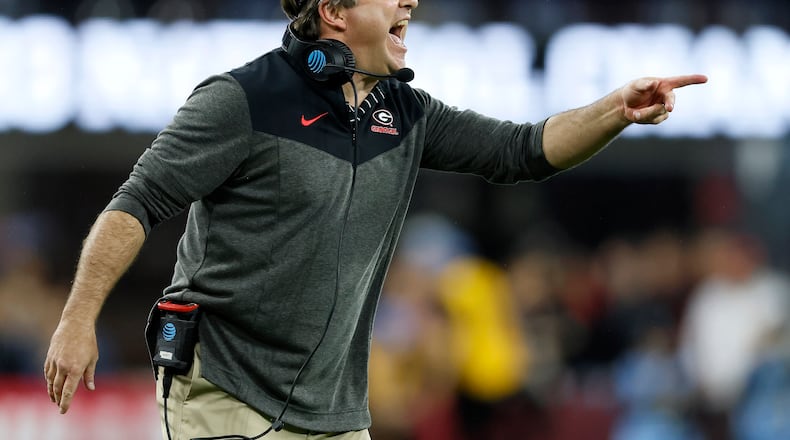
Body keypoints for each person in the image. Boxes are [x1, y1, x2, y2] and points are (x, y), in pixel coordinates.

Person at [43, 0, 708, 439]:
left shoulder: (405, 112)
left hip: (335, 413)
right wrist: (77, 320)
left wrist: (615, 111)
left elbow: (522, 150)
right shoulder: (239, 100)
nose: (409, 3)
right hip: (224, 394)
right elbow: (136, 203)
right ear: (333, 12)